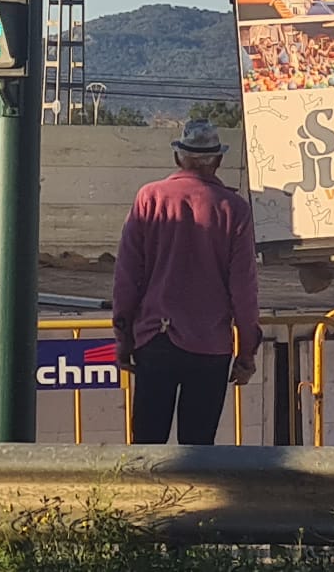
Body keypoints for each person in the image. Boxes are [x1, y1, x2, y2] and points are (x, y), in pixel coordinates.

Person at [112, 120, 261, 445]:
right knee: (198, 450)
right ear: (218, 160)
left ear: (179, 157)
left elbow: (126, 277)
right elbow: (244, 289)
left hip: (155, 339)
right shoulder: (233, 209)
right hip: (210, 346)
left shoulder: (149, 198)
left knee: (147, 448)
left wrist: (123, 338)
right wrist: (246, 351)